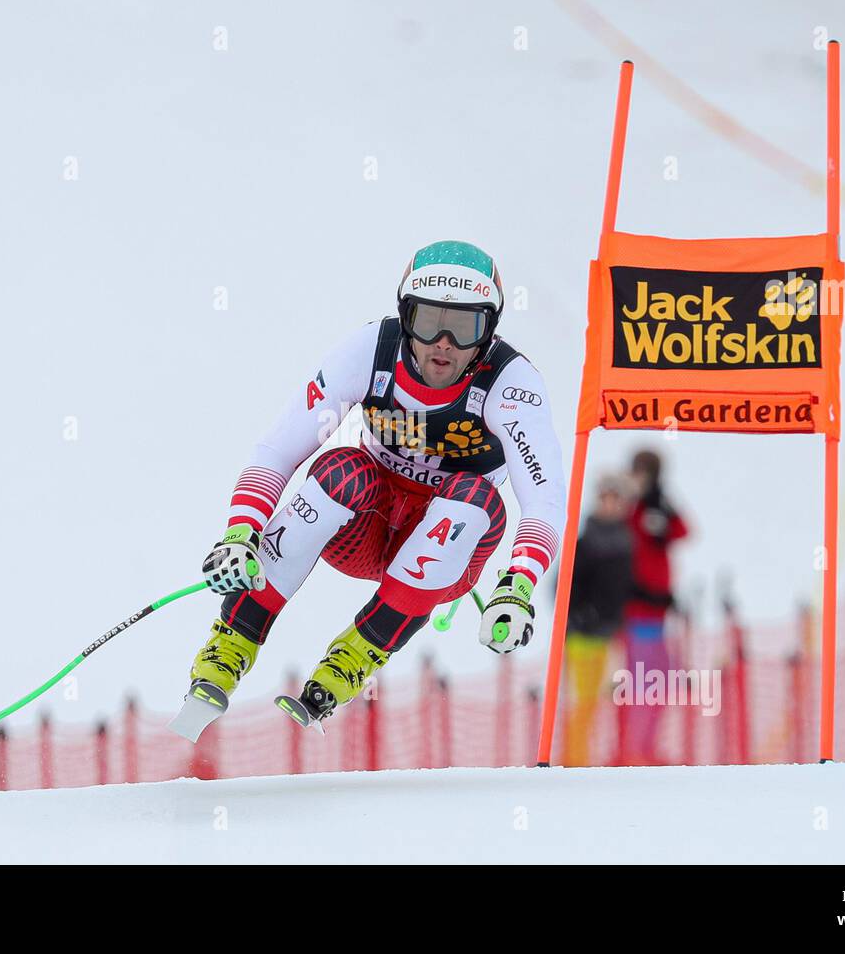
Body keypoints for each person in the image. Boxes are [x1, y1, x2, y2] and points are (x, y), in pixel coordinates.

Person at [170, 240, 566, 740]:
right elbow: (278, 451)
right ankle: (231, 644)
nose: (443, 343)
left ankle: (355, 656)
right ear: (405, 316)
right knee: (340, 468)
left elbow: (545, 502)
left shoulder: (512, 384)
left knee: (476, 498)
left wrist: (519, 586)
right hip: (365, 527)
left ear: (488, 331)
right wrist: (239, 533)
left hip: (448, 550)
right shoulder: (369, 351)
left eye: (465, 327)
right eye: (428, 322)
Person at [559, 473, 633, 767]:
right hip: (583, 636)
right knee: (583, 701)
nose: (611, 505)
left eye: (616, 499)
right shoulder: (587, 541)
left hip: (612, 633)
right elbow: (565, 585)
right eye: (606, 498)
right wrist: (580, 614)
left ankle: (594, 757)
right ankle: (575, 760)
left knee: (606, 698)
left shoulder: (625, 540)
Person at [620, 448, 689, 765]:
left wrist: (662, 514)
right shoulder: (626, 507)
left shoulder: (657, 506)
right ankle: (637, 749)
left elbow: (683, 531)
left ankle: (646, 747)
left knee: (660, 680)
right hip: (636, 610)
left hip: (657, 610)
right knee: (645, 682)